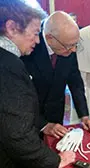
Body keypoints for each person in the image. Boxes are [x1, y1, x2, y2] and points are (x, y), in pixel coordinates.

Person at [0, 0, 75, 167]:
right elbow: (17, 135)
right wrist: (55, 161)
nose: (38, 40)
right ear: (12, 28)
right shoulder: (8, 65)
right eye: (35, 33)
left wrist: (42, 125)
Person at [21, 11, 90, 139]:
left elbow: (75, 83)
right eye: (70, 46)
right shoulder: (28, 47)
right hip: (30, 118)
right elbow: (19, 97)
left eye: (75, 45)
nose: (73, 50)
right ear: (50, 37)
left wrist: (84, 115)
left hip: (56, 113)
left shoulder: (67, 44)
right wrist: (43, 124)